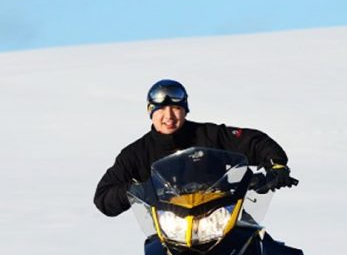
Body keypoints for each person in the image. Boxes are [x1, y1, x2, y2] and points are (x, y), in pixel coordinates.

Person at [94, 79, 298, 216]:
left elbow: (255, 141)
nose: (169, 116)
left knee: (264, 252)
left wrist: (276, 166)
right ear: (150, 112)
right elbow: (103, 196)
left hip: (222, 218)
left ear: (185, 110)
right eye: (161, 110)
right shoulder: (137, 153)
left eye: (176, 108)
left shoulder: (208, 135)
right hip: (170, 231)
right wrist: (134, 190)